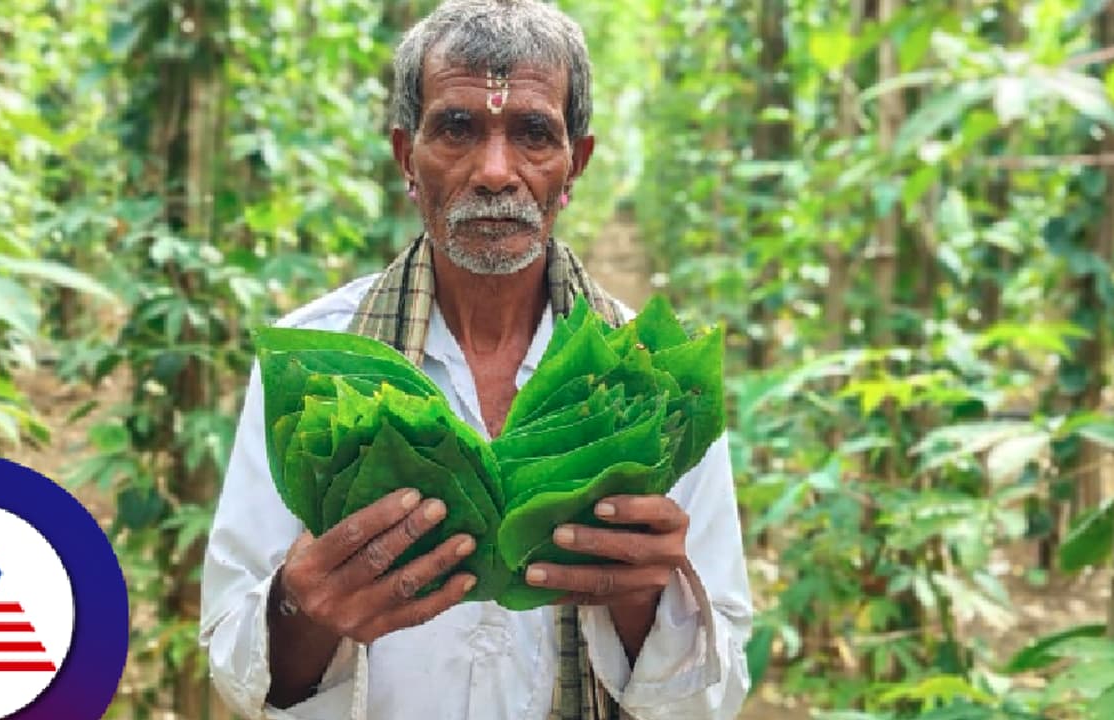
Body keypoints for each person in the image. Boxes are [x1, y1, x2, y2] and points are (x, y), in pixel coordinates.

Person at [199, 1, 754, 718]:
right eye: (457, 129)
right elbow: (232, 655)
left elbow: (720, 686)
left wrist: (648, 600)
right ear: (407, 155)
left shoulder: (647, 384)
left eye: (532, 134)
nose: (496, 172)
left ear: (574, 163)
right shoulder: (317, 368)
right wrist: (303, 609)